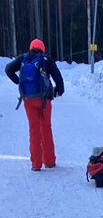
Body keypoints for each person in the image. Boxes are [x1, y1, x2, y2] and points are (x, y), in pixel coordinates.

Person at [5, 39, 65, 171]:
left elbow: (8, 69)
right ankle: (49, 161)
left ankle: (36, 164)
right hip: (44, 100)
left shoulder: (23, 58)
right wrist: (57, 91)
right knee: (46, 128)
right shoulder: (47, 60)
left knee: (34, 130)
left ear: (30, 48)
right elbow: (58, 79)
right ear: (42, 49)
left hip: (28, 99)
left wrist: (18, 82)